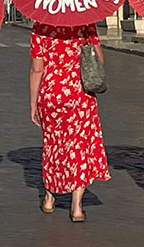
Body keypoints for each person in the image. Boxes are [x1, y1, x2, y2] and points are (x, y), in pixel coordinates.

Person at [29, 23, 110, 222]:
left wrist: (33, 104)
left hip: (51, 92)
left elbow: (36, 69)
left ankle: (49, 198)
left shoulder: (41, 27)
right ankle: (77, 207)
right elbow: (99, 59)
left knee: (53, 145)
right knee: (79, 146)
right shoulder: (85, 24)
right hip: (79, 93)